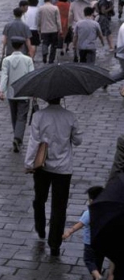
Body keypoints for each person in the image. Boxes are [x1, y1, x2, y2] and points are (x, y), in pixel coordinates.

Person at [25, 97, 82, 257]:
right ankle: (55, 243)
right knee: (59, 207)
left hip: (43, 166)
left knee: (39, 198)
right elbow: (78, 141)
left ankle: (40, 227)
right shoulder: (70, 116)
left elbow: (34, 142)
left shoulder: (39, 116)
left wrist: (29, 164)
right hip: (63, 168)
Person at [0, 37, 35, 152]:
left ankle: (17, 136)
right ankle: (18, 138)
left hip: (11, 93)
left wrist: (1, 90)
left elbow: (4, 76)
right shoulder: (28, 60)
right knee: (22, 117)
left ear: (12, 46)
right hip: (24, 92)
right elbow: (31, 76)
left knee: (14, 116)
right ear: (22, 45)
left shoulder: (7, 60)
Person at [62, 185, 105, 280]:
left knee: (88, 259)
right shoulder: (106, 211)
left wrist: (69, 231)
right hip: (102, 242)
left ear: (91, 200)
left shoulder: (89, 213)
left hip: (90, 242)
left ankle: (98, 277)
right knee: (98, 260)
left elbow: (80, 225)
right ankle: (96, 279)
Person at [37, 0, 62, 64]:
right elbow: (58, 20)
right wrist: (60, 29)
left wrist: (39, 28)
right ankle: (51, 59)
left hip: (44, 29)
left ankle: (44, 54)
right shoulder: (55, 8)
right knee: (54, 45)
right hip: (54, 29)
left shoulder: (41, 8)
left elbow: (38, 20)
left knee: (45, 43)